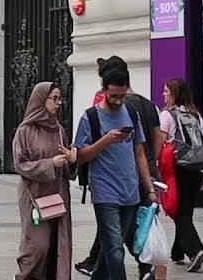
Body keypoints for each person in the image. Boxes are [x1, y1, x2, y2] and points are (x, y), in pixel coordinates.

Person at [76, 57, 166, 280]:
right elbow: (80, 156)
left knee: (111, 250)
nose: (118, 101)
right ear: (104, 90)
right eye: (113, 96)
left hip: (130, 192)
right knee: (115, 250)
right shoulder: (91, 117)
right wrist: (105, 140)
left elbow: (140, 154)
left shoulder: (131, 113)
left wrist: (150, 189)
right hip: (105, 192)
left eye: (122, 96)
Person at [16, 81, 75, 280]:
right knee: (37, 247)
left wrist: (72, 161)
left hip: (58, 195)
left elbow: (68, 170)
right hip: (34, 196)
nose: (58, 103)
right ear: (41, 100)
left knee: (57, 245)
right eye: (54, 98)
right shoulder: (25, 131)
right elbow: (21, 165)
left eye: (60, 98)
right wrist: (50, 164)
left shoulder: (59, 131)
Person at [159, 78, 203, 272]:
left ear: (174, 94)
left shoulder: (167, 115)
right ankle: (177, 253)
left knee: (179, 214)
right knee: (186, 211)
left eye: (166, 91)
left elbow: (161, 142)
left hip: (177, 170)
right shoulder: (195, 115)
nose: (163, 94)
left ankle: (196, 250)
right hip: (196, 169)